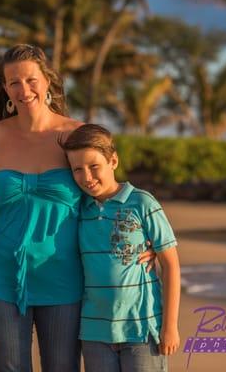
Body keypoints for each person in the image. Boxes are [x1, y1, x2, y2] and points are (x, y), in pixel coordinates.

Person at [0, 44, 84, 371]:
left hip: (64, 276)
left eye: (31, 80)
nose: (24, 89)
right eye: (14, 82)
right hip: (0, 276)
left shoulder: (76, 135)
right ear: (5, 89)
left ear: (47, 81)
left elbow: (106, 195)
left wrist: (137, 239)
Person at [59, 124, 181, 372]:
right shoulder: (79, 210)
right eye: (77, 170)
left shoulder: (142, 202)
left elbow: (171, 265)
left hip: (142, 329)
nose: (87, 177)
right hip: (95, 331)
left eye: (94, 166)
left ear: (113, 161)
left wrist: (170, 326)